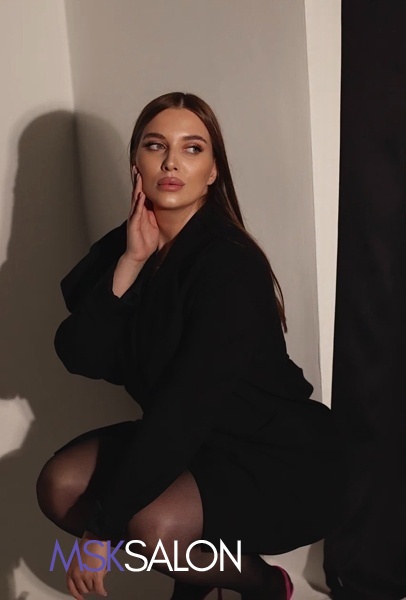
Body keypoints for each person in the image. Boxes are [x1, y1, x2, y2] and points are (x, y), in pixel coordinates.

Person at [36, 92, 344, 600]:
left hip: (271, 452)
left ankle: (263, 583)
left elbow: (188, 405)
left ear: (213, 170)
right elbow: (80, 355)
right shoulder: (126, 245)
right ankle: (200, 575)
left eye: (192, 148)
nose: (172, 162)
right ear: (136, 163)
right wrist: (130, 264)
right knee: (60, 485)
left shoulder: (229, 264)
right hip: (189, 440)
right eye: (156, 146)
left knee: (152, 527)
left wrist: (101, 531)